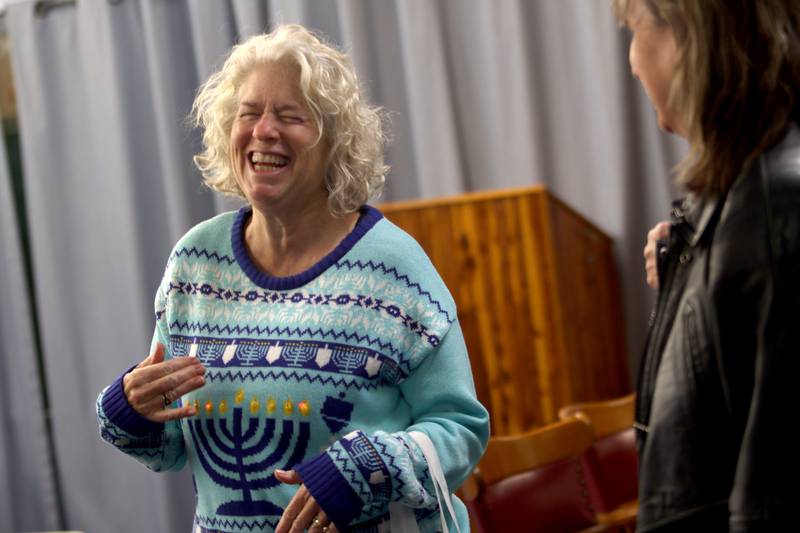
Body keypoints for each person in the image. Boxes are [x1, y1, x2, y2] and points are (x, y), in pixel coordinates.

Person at [96, 24, 489, 533]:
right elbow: (174, 446)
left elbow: (461, 429)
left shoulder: (394, 269)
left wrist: (369, 465)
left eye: (290, 116)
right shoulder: (195, 263)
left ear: (334, 143)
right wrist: (131, 407)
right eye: (249, 114)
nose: (264, 131)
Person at [614, 0, 800, 530]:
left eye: (635, 30)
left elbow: (772, 500)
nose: (631, 60)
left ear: (688, 36)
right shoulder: (739, 195)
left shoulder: (774, 208)